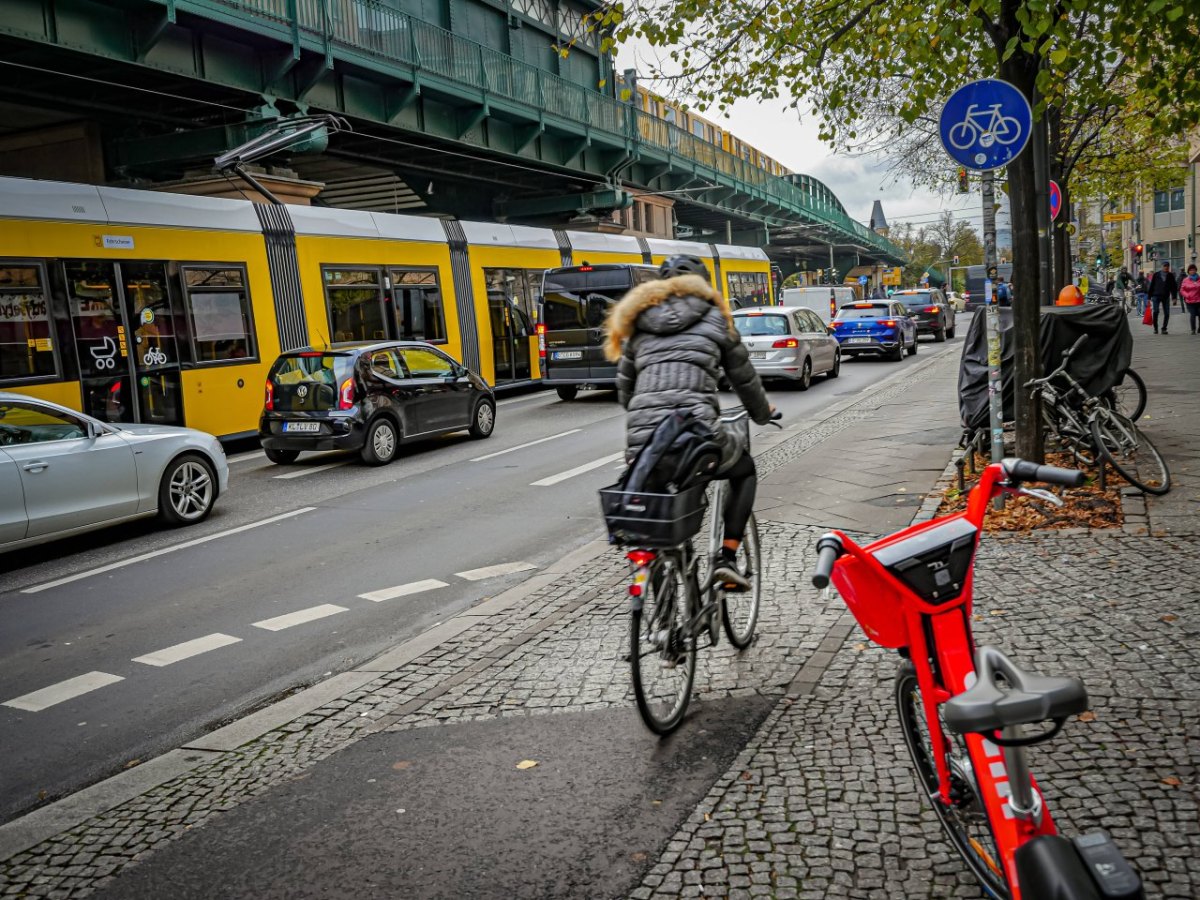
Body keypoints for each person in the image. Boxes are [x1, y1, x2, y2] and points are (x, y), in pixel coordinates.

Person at [604, 255, 773, 591]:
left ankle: (662, 622)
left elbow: (625, 391)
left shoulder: (638, 325)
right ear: (702, 285)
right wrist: (762, 413)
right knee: (744, 470)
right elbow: (744, 379)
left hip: (646, 444)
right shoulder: (715, 320)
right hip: (697, 438)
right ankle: (727, 557)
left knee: (656, 522)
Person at [1148, 261, 1179, 334]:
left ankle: (1164, 328)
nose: (1166, 267)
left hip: (1166, 296)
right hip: (1156, 296)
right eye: (1165, 266)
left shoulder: (1170, 275)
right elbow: (1152, 285)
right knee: (1156, 311)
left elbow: (1173, 287)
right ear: (1162, 266)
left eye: (1167, 266)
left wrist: (1174, 298)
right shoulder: (1156, 274)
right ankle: (1155, 328)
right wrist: (1149, 297)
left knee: (1167, 313)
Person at [1181, 263, 1200, 334]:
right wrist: (1187, 295)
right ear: (1188, 271)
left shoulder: (1199, 279)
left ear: (1196, 270)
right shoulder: (1185, 280)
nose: (1192, 271)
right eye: (1191, 270)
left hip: (1198, 300)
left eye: (1193, 270)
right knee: (1193, 314)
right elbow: (1182, 290)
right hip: (1190, 301)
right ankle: (1193, 329)